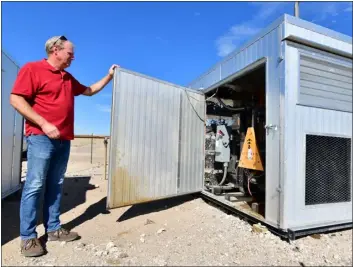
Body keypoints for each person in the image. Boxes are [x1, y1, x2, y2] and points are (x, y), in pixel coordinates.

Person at [9, 35, 118, 257]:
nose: (73, 57)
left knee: (56, 184)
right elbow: (16, 99)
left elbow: (89, 91)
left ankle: (53, 229)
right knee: (35, 185)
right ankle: (28, 238)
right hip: (40, 137)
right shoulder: (33, 69)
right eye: (70, 53)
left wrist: (108, 76)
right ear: (55, 50)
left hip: (64, 140)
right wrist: (44, 123)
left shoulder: (67, 78)